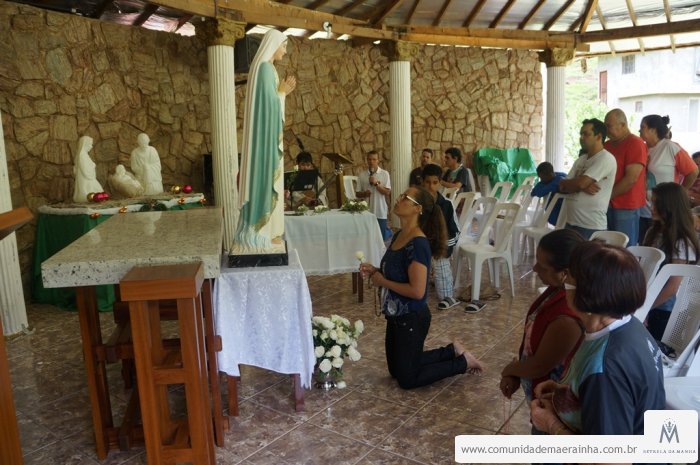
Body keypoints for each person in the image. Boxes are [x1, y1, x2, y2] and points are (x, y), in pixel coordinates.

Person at [530, 241, 665, 436]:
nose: (564, 285)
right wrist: (570, 392)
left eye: (568, 279)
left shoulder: (605, 369)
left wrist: (550, 424)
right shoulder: (629, 325)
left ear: (586, 296)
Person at [359, 186, 483, 389]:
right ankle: (451, 351)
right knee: (396, 370)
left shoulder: (418, 243)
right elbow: (396, 272)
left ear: (418, 209)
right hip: (396, 316)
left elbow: (417, 292)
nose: (398, 199)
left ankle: (462, 362)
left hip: (412, 317)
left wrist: (383, 282)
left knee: (408, 379)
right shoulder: (399, 235)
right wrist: (375, 271)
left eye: (404, 197)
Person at [500, 230, 584, 433]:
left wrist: (511, 369)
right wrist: (518, 373)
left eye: (542, 266)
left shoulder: (566, 318)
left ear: (564, 273)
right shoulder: (557, 290)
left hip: (555, 410)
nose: (535, 268)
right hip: (543, 400)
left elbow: (540, 366)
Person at [235, 29, 296, 251]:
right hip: (265, 141)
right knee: (266, 180)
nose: (285, 51)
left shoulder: (267, 68)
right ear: (273, 45)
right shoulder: (265, 69)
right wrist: (282, 93)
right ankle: (260, 232)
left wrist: (281, 93)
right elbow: (268, 107)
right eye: (284, 45)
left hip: (268, 136)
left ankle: (269, 232)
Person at [641, 182, 699, 343]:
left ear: (670, 206)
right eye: (652, 202)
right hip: (646, 300)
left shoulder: (681, 241)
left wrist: (645, 309)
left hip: (663, 309)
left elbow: (672, 287)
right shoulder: (653, 231)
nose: (651, 207)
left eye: (656, 203)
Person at [638, 115, 698, 241]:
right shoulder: (641, 148)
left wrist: (679, 193)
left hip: (665, 209)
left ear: (653, 130)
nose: (639, 130)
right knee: (646, 243)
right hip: (642, 208)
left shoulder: (670, 147)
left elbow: (693, 171)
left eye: (643, 127)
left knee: (665, 242)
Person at [558, 118, 617, 239]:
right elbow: (562, 185)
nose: (581, 138)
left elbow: (580, 183)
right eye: (581, 134)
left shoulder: (606, 158)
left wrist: (579, 184)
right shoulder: (581, 159)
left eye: (586, 134)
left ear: (598, 136)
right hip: (571, 222)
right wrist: (581, 185)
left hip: (590, 225)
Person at [604, 108, 647, 246]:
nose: (606, 130)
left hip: (626, 205)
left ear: (622, 125)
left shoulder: (635, 143)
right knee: (608, 247)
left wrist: (606, 196)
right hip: (607, 203)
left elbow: (631, 179)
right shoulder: (606, 145)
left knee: (625, 248)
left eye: (609, 126)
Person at [421, 164, 460, 310]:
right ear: (422, 182)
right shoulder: (415, 204)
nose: (431, 186)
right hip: (419, 249)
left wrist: (441, 251)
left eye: (435, 182)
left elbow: (455, 233)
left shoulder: (447, 205)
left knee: (445, 296)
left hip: (439, 251)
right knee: (415, 292)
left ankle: (440, 284)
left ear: (440, 183)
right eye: (427, 182)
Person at [357, 150, 392, 241]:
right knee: (368, 238)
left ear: (378, 160)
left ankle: (388, 232)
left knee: (381, 239)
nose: (371, 162)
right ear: (367, 160)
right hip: (366, 212)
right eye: (369, 159)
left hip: (380, 211)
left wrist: (376, 184)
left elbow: (387, 192)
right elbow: (357, 194)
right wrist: (364, 193)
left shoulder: (384, 174)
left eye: (374, 159)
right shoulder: (362, 175)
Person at [531, 161, 566, 226]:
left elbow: (539, 193)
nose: (541, 180)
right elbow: (533, 192)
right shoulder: (553, 177)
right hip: (556, 214)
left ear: (550, 174)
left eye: (542, 178)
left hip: (559, 215)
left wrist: (541, 185)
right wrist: (542, 184)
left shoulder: (558, 181)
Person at [72, 135, 104, 203]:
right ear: (85, 144)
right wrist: (92, 165)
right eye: (90, 144)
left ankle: (94, 196)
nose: (91, 146)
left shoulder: (85, 155)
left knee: (99, 191)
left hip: (89, 178)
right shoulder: (82, 155)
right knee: (89, 191)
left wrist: (92, 165)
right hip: (85, 179)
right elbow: (85, 168)